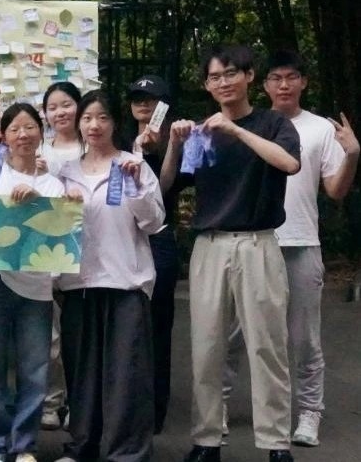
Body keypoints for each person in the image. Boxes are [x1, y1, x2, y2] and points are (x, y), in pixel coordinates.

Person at [160, 45, 300, 462]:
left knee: (267, 347)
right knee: (206, 348)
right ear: (206, 84)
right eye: (214, 77)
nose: (223, 83)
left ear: (250, 76)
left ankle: (276, 443)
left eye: (231, 73)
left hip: (259, 244)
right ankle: (206, 439)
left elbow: (289, 164)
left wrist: (236, 131)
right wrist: (174, 145)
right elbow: (166, 185)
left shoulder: (273, 123)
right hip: (210, 246)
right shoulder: (202, 133)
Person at [221, 50, 359, 448]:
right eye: (276, 78)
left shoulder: (320, 129)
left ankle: (310, 412)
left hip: (300, 243)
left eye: (291, 77)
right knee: (233, 332)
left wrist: (352, 154)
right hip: (250, 241)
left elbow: (335, 190)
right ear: (262, 83)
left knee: (303, 337)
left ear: (304, 82)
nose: (284, 85)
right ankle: (219, 406)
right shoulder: (250, 125)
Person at [54, 90, 164, 462]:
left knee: (126, 375)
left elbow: (153, 223)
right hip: (78, 285)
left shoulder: (133, 165)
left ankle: (127, 452)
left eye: (102, 117)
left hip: (124, 283)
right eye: (87, 118)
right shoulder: (64, 174)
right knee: (81, 373)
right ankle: (81, 446)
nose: (94, 125)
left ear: (115, 122)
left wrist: (134, 186)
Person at [0, 103, 59, 462]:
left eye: (30, 127)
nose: (23, 135)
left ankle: (25, 445)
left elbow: (60, 234)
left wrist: (38, 204)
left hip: (36, 285)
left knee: (35, 367)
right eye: (15, 129)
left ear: (41, 132)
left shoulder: (52, 183)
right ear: (4, 136)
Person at [124, 74, 183, 434]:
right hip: (120, 242)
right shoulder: (119, 141)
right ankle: (123, 405)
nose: (143, 104)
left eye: (151, 99)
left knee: (157, 327)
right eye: (137, 98)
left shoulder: (179, 139)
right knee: (124, 326)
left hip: (158, 241)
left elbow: (162, 189)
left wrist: (164, 147)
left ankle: (155, 411)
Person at [38, 81, 82, 431]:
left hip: (87, 251)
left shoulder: (91, 147)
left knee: (80, 335)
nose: (60, 112)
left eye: (66, 104)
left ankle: (80, 403)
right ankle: (51, 401)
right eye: (52, 107)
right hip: (47, 251)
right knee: (50, 337)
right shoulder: (38, 152)